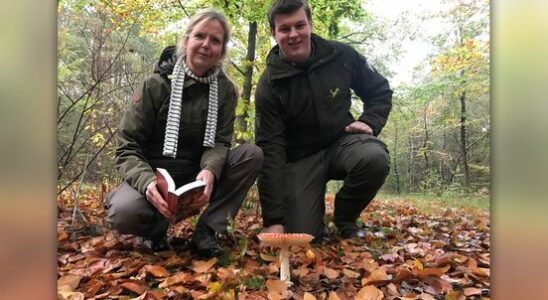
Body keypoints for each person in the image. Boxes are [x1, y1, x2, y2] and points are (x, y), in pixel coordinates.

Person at [106, 8, 263, 258]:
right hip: (155, 173)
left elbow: (220, 142)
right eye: (200, 36)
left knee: (251, 155)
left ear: (221, 51)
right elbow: (128, 146)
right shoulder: (155, 85)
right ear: (187, 40)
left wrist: (210, 171)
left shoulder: (225, 92)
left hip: (195, 174)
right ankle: (155, 228)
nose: (205, 44)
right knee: (123, 213)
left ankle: (207, 231)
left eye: (215, 40)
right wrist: (147, 183)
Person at [255, 0, 392, 240]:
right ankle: (306, 215)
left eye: (300, 25)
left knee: (374, 157)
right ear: (274, 34)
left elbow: (379, 90)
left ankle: (345, 218)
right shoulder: (269, 85)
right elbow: (271, 149)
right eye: (285, 29)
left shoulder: (341, 55)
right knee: (303, 236)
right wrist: (273, 220)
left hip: (342, 143)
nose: (294, 34)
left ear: (310, 24)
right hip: (300, 159)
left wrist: (370, 121)